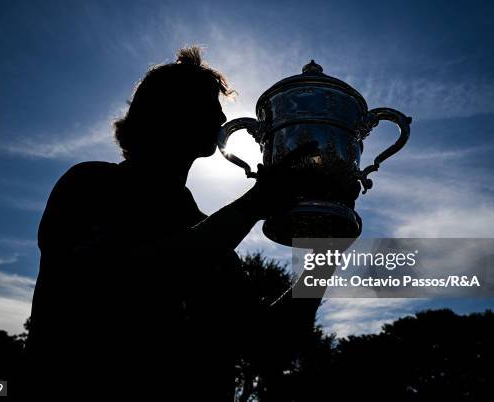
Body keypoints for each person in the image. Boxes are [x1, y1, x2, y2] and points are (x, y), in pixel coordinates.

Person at [24, 46, 332, 400]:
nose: (220, 117)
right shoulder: (89, 185)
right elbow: (122, 281)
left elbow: (270, 346)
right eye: (207, 104)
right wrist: (253, 205)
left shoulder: (213, 236)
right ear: (166, 113)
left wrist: (326, 250)